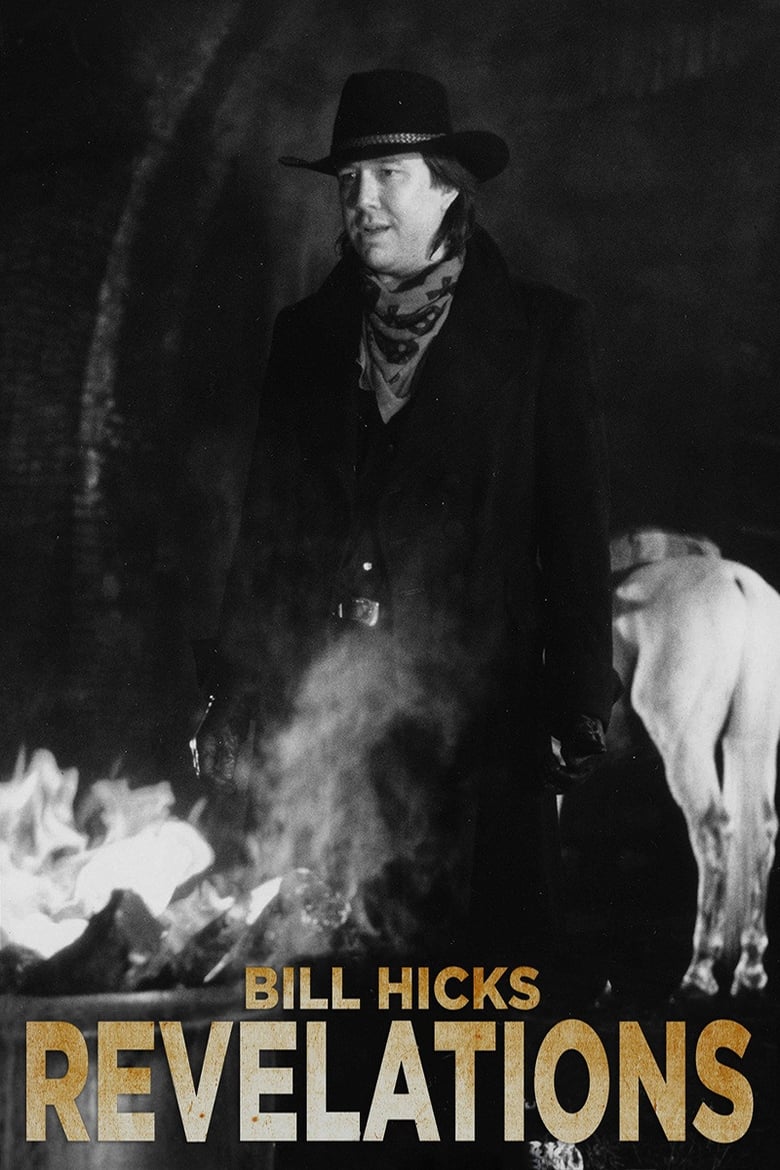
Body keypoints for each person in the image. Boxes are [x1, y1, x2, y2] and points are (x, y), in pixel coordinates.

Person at [196, 69, 618, 970]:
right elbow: (265, 533)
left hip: (483, 730)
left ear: (447, 188)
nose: (363, 201)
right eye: (349, 180)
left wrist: (580, 701)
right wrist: (231, 689)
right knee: (333, 998)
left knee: (479, 1005)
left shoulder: (541, 335)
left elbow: (576, 539)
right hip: (328, 729)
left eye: (389, 176)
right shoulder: (305, 339)